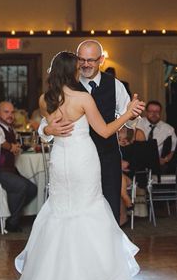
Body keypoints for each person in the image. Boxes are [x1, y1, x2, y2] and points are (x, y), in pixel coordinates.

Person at [10, 51, 145, 280]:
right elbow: (104, 131)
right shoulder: (83, 98)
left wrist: (49, 129)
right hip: (83, 158)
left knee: (60, 210)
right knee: (89, 208)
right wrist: (127, 115)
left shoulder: (45, 99)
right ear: (73, 72)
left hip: (60, 158)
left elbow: (54, 128)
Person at [39, 40, 135, 220]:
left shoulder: (116, 85)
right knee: (78, 206)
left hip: (107, 155)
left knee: (109, 206)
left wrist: (132, 117)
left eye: (91, 60)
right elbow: (45, 125)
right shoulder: (66, 92)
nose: (85, 64)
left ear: (101, 60)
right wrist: (48, 130)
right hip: (78, 158)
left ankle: (104, 246)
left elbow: (128, 120)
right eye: (81, 60)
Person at [0, 101, 38, 233]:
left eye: (12, 112)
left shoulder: (8, 128)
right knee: (20, 186)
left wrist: (16, 146)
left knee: (32, 189)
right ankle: (12, 223)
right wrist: (11, 146)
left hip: (5, 169)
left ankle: (5, 216)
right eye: (6, 112)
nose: (10, 115)